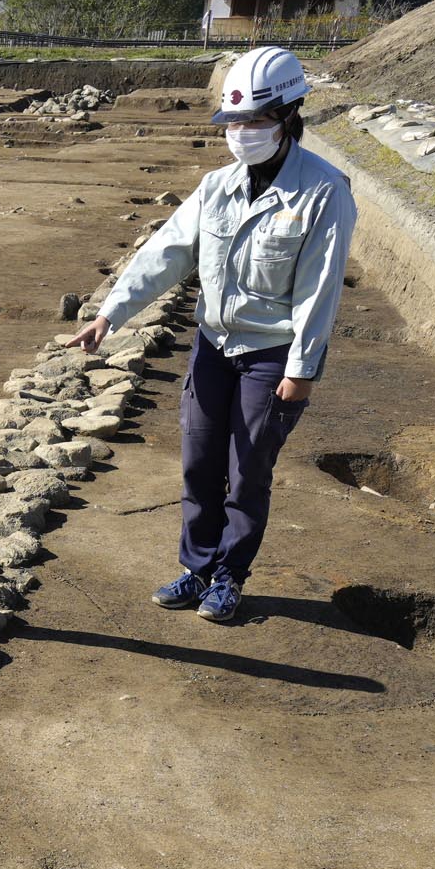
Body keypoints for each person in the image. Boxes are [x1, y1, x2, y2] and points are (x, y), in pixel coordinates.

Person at [73, 45, 354, 627]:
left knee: (247, 470)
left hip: (271, 354)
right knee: (199, 463)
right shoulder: (217, 185)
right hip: (212, 346)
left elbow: (319, 289)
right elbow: (168, 252)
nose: (241, 133)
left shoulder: (324, 192)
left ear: (289, 115)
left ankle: (229, 577)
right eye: (233, 121)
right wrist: (110, 313)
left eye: (255, 120)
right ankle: (197, 568)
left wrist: (302, 369)